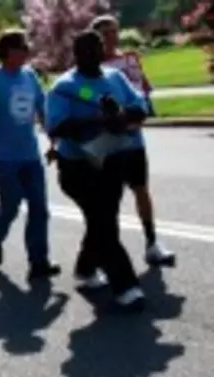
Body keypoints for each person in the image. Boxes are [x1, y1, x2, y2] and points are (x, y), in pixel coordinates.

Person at [45, 29, 146, 311]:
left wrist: (123, 117)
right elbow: (56, 126)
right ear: (75, 54)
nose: (93, 54)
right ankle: (126, 287)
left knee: (102, 220)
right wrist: (98, 120)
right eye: (86, 50)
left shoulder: (116, 78)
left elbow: (140, 106)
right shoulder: (64, 86)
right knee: (103, 220)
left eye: (97, 48)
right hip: (78, 167)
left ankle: (86, 269)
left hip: (112, 160)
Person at [0, 29, 61, 280]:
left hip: (30, 156)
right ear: (7, 52)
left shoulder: (30, 76)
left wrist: (52, 139)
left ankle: (39, 261)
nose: (27, 51)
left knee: (40, 209)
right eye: (21, 47)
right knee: (10, 207)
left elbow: (42, 110)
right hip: (3, 158)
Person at [91, 14, 176, 268]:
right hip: (105, 142)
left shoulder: (129, 59)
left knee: (141, 189)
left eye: (114, 31)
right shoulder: (88, 66)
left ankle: (152, 243)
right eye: (105, 32)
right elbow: (85, 97)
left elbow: (142, 91)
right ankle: (102, 253)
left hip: (133, 138)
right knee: (107, 199)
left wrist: (140, 113)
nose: (111, 37)